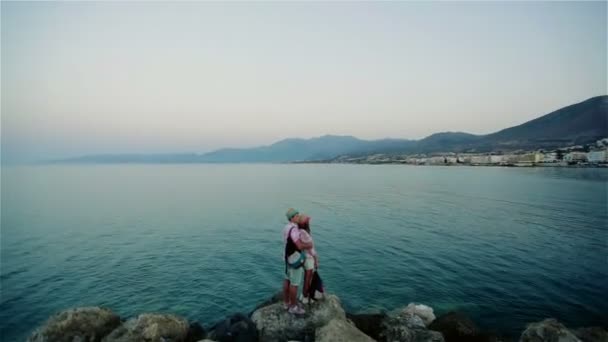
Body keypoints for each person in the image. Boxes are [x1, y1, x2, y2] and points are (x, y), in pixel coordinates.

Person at [282, 208, 313, 314]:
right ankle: (293, 307)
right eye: (297, 215)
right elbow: (299, 245)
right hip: (295, 259)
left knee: (287, 280)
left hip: (287, 257)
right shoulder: (294, 230)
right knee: (294, 284)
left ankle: (286, 303)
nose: (299, 217)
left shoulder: (286, 227)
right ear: (292, 218)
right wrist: (309, 245)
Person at [296, 214, 318, 304]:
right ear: (306, 224)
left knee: (305, 278)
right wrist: (316, 260)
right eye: (308, 221)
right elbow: (311, 249)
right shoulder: (305, 234)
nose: (309, 222)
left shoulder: (298, 231)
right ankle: (305, 297)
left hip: (302, 257)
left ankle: (302, 295)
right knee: (308, 278)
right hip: (309, 259)